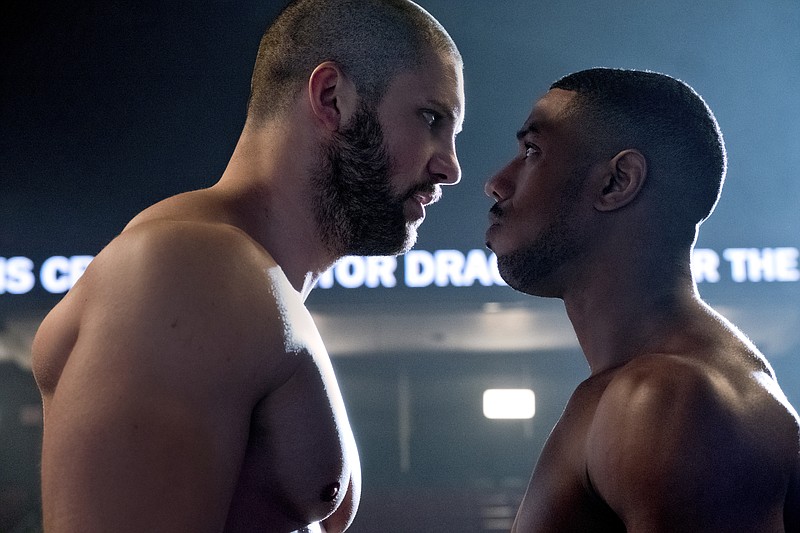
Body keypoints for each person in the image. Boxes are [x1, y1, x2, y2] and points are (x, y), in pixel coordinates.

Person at [30, 0, 464, 531]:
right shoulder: (192, 269)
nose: (450, 168)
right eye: (432, 119)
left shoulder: (243, 281)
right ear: (331, 98)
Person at [484, 68, 800, 532]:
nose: (496, 182)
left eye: (532, 151)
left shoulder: (667, 399)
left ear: (617, 182)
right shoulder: (656, 386)